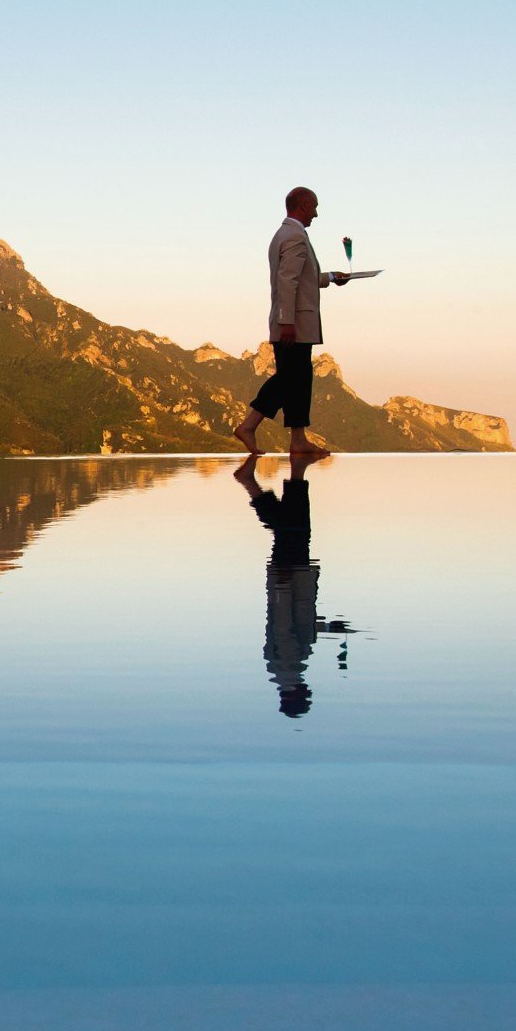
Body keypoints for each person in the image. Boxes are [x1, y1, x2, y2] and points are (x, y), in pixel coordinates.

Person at [233, 187, 350, 458]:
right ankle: (250, 426)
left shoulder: (284, 234)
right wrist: (287, 322)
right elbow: (288, 281)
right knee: (290, 378)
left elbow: (303, 276)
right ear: (305, 205)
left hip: (290, 322)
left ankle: (297, 439)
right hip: (294, 324)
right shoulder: (295, 236)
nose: (317, 214)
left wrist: (332, 277)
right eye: (315, 207)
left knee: (297, 378)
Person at [234, 454, 352, 717]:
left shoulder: (287, 668)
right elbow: (299, 627)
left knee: (292, 530)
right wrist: (327, 627)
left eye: (307, 698)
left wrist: (283, 587)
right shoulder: (282, 669)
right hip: (293, 579)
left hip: (290, 578)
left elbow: (284, 626)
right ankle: (289, 472)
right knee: (290, 527)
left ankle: (268, 477)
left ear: (298, 696)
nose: (310, 692)